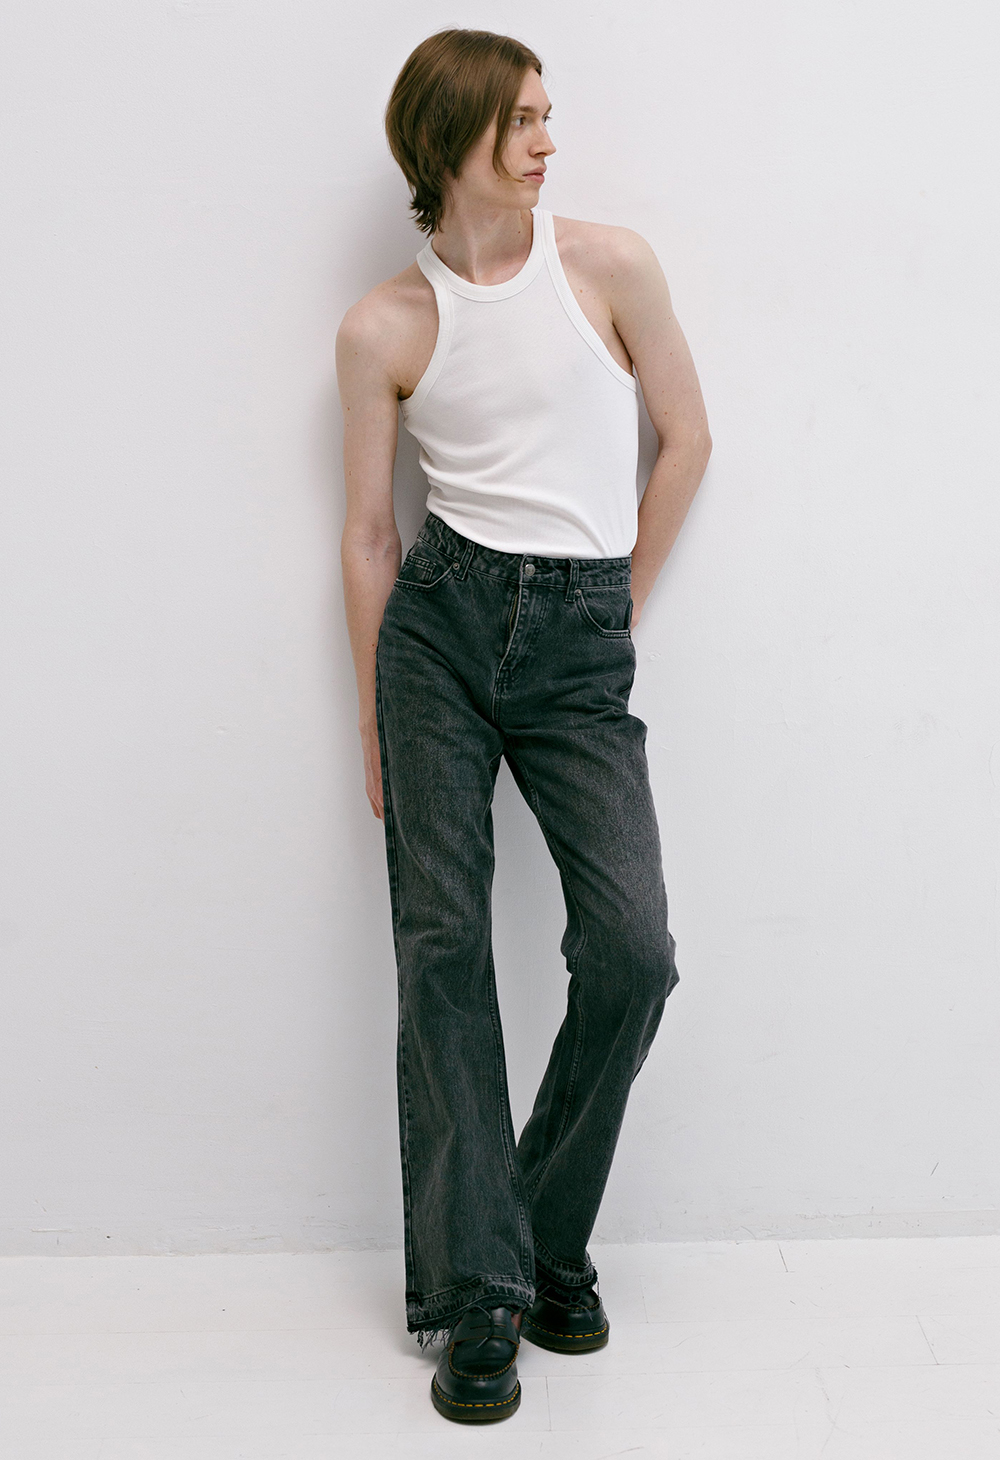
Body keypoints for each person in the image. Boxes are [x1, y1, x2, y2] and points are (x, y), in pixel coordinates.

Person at [336, 27, 711, 1424]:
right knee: (442, 950)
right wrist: (374, 718)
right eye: (523, 121)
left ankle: (543, 1234)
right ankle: (480, 1299)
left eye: (551, 115)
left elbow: (688, 437)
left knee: (633, 951)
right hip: (436, 633)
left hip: (577, 638)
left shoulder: (607, 266)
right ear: (453, 142)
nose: (550, 141)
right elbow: (370, 539)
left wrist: (615, 610)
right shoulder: (384, 326)